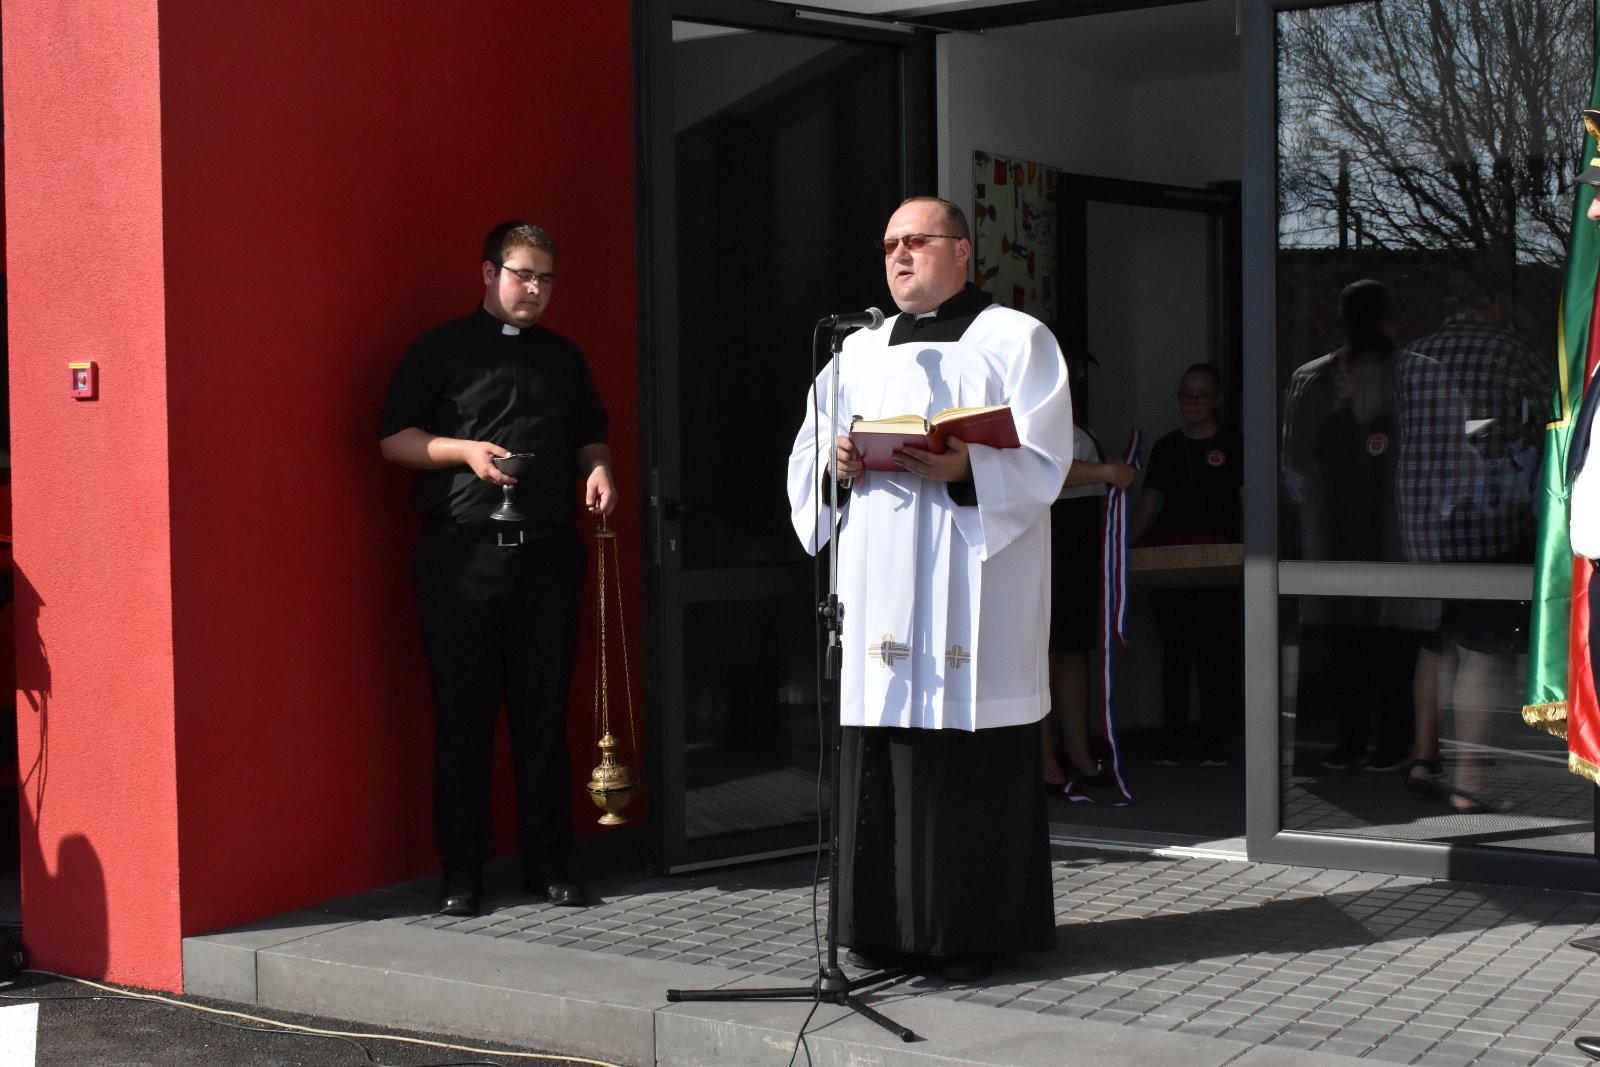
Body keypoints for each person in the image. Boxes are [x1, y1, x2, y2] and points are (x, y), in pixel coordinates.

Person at [786, 195, 1074, 982]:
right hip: (881, 595)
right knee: (883, 756)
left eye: (917, 240)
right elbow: (809, 455)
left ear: (961, 252)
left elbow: (1046, 459)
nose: (900, 255)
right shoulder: (855, 350)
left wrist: (968, 468)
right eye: (889, 244)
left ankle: (976, 932)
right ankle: (880, 930)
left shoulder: (1017, 339)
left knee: (969, 764)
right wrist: (837, 467)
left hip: (975, 588)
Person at [379, 219, 617, 917]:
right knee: (463, 715)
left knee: (544, 713)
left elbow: (589, 435)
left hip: (548, 554)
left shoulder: (565, 358)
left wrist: (600, 469)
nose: (534, 289)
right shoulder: (439, 350)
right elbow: (395, 440)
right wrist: (465, 452)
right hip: (461, 555)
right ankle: (462, 869)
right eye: (522, 274)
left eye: (545, 278)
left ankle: (549, 860)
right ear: (488, 273)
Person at [1394, 269, 1547, 813]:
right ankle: (1469, 781)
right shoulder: (1513, 351)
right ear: (1497, 302)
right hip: (1489, 522)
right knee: (1483, 650)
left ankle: (1422, 757)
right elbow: (1553, 422)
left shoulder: (1411, 357)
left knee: (1435, 644)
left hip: (1421, 526)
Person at [1129, 363, 1243, 766]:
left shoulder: (1235, 444)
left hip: (1222, 561)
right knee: (1175, 652)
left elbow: (1248, 502)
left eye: (1202, 395)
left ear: (1217, 400)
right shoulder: (1165, 446)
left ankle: (1213, 740)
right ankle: (1173, 740)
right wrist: (1126, 547)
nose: (1193, 402)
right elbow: (1149, 504)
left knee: (1216, 653)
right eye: (1186, 394)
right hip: (1169, 560)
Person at [1044, 353, 1136, 794]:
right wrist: (1106, 471)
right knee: (1043, 654)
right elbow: (1037, 471)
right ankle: (1043, 758)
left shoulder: (1082, 429)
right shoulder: (1031, 418)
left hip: (1080, 544)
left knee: (1075, 649)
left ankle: (1079, 749)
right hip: (1047, 542)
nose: (1076, 379)